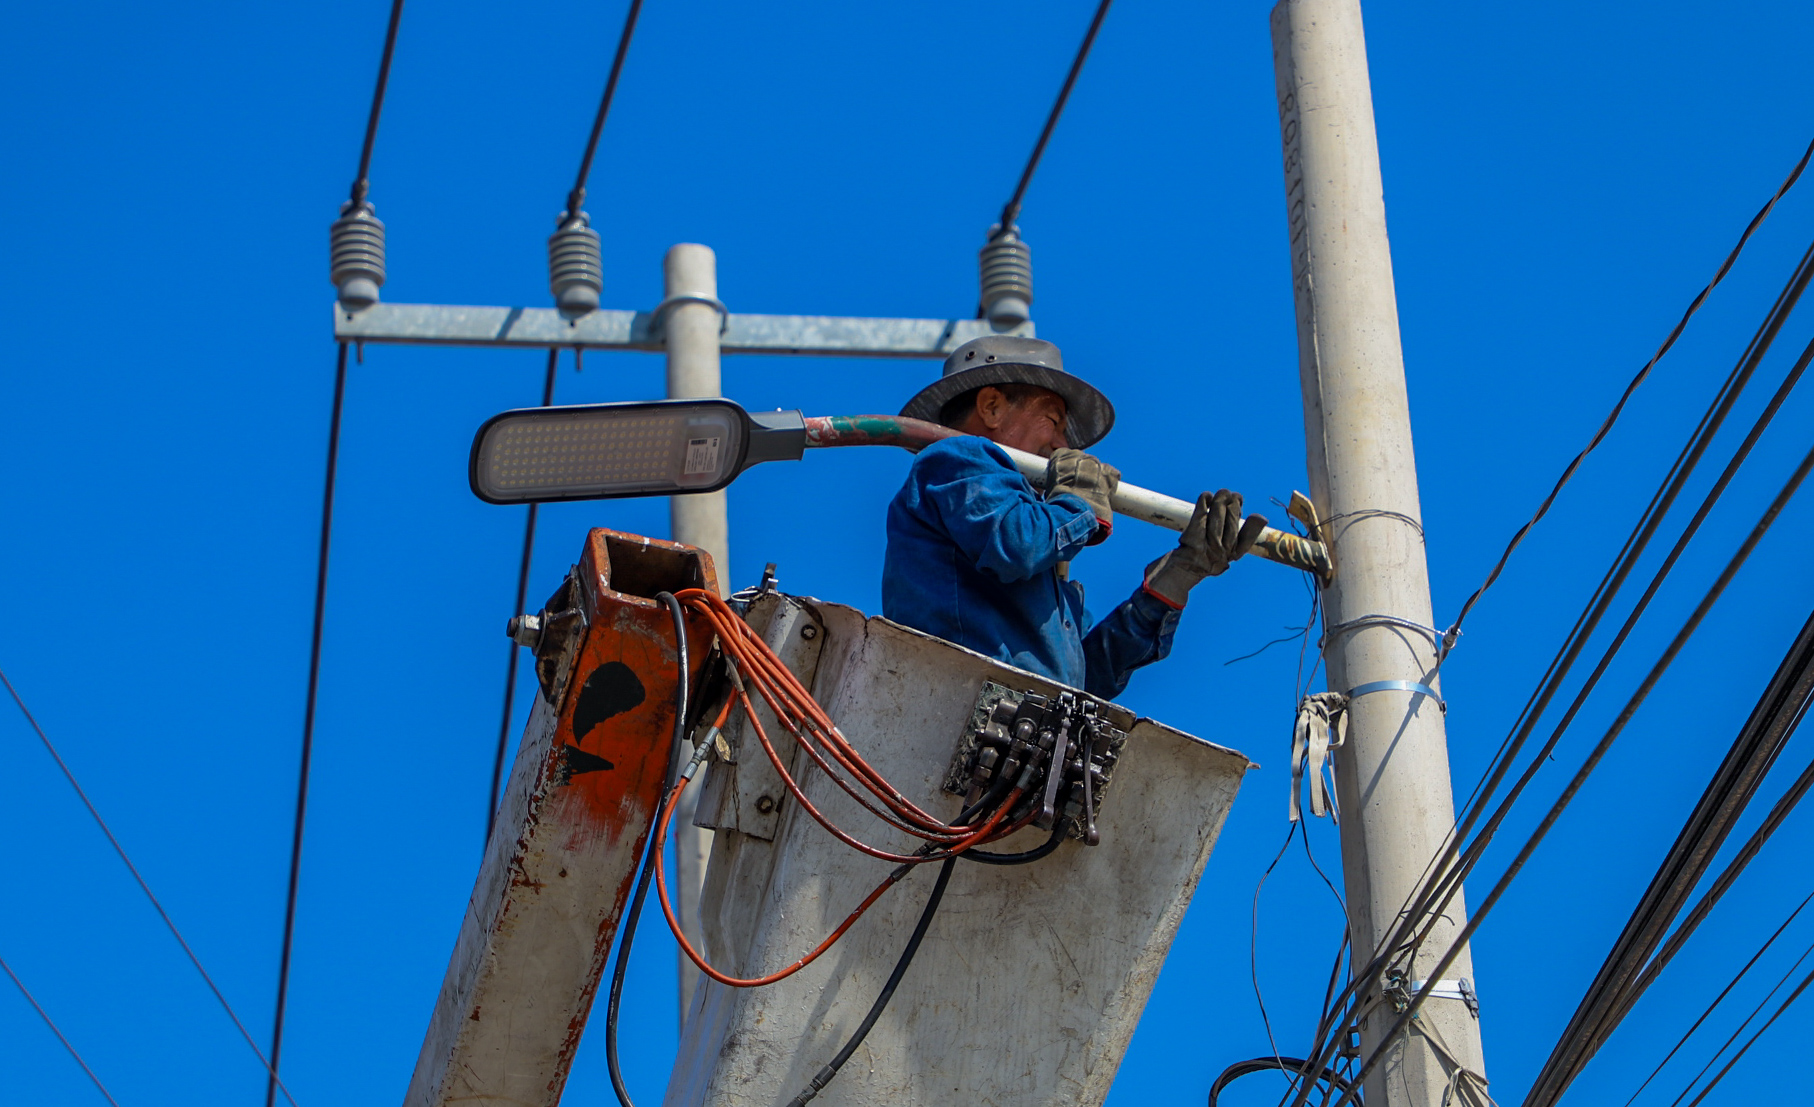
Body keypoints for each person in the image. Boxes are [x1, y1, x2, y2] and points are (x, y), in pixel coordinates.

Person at [883, 335, 1261, 701]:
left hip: (1022, 733)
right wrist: (1077, 501)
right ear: (992, 408)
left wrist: (1175, 580)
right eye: (1054, 420)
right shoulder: (957, 458)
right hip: (957, 703)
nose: (1063, 445)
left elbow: (1085, 683)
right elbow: (1017, 545)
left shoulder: (1032, 536)